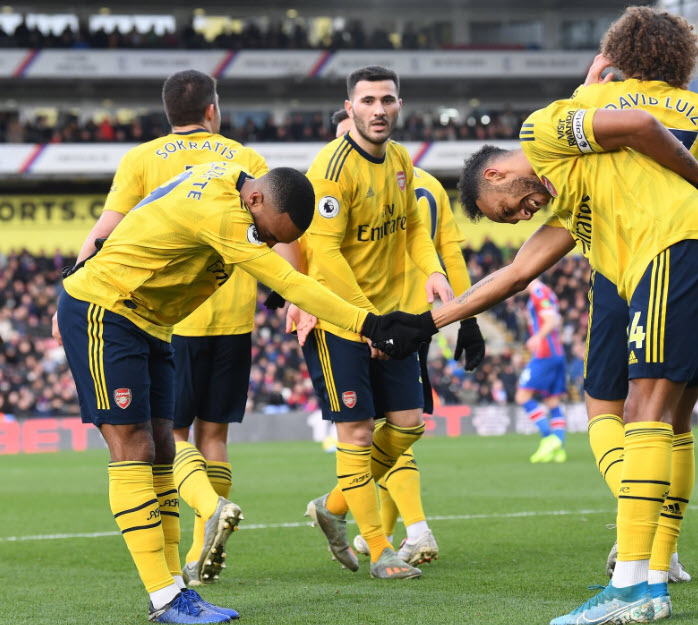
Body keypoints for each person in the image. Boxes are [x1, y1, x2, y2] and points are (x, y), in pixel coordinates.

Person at [369, 97, 698, 624]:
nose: (524, 215)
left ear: (495, 172)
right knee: (658, 416)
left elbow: (635, 120)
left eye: (509, 208)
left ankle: (633, 588)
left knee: (646, 414)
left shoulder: (537, 131)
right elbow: (517, 273)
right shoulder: (574, 187)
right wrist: (429, 323)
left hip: (673, 249)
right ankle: (651, 575)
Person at [54, 159, 412, 622]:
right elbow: (288, 282)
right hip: (104, 308)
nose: (264, 243)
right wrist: (370, 324)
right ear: (255, 201)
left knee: (164, 449)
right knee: (134, 446)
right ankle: (165, 598)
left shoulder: (233, 182)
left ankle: (174, 588)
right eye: (266, 234)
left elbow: (150, 208)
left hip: (153, 321)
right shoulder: (225, 212)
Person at [58, 68, 291, 589]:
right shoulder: (245, 160)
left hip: (164, 313)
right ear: (213, 109)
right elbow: (281, 228)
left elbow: (105, 233)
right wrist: (291, 295)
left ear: (169, 113)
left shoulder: (140, 158)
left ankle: (205, 513)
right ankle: (197, 542)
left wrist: (69, 287)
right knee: (214, 436)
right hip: (232, 315)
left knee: (169, 436)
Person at [574, 7, 698, 601]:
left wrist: (594, 82)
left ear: (617, 54)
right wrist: (692, 107)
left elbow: (581, 120)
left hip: (630, 258)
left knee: (611, 411)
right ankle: (659, 553)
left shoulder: (596, 103)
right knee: (675, 416)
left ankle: (637, 556)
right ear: (684, 59)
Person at [292, 66, 455, 581]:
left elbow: (411, 227)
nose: (378, 109)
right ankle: (381, 549)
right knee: (358, 434)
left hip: (390, 317)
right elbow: (323, 252)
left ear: (399, 104)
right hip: (340, 322)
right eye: (368, 101)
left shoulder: (402, 160)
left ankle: (334, 505)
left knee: (408, 425)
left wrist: (432, 271)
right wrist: (369, 321)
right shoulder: (332, 167)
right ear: (351, 107)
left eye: (387, 99)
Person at [327, 108, 485, 565]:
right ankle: (388, 530)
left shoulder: (386, 185)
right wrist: (465, 318)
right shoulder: (430, 185)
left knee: (387, 429)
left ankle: (402, 527)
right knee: (395, 429)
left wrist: (466, 320)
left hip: (374, 321)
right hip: (416, 323)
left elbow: (441, 252)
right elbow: (449, 253)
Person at [516, 277, 568, 464]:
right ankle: (558, 449)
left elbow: (552, 320)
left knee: (522, 396)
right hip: (557, 352)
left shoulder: (539, 293)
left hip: (545, 353)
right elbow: (558, 320)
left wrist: (537, 337)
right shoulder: (548, 293)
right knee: (553, 402)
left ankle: (548, 439)